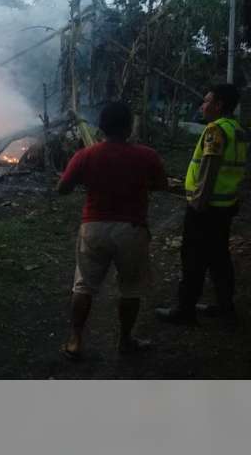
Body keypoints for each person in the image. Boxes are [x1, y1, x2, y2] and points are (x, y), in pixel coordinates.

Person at [57, 101, 168, 359]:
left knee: (83, 286)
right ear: (129, 127)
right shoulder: (147, 155)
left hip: (94, 227)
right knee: (130, 288)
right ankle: (125, 341)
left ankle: (75, 340)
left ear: (102, 127)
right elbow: (161, 185)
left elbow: (62, 189)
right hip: (131, 229)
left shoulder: (85, 155)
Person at [156, 84, 248, 325]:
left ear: (218, 105)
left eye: (206, 101)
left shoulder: (215, 130)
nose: (202, 106)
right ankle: (225, 307)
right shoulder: (237, 129)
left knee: (193, 258)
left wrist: (197, 203)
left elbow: (209, 169)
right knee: (219, 257)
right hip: (225, 206)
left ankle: (185, 310)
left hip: (206, 208)